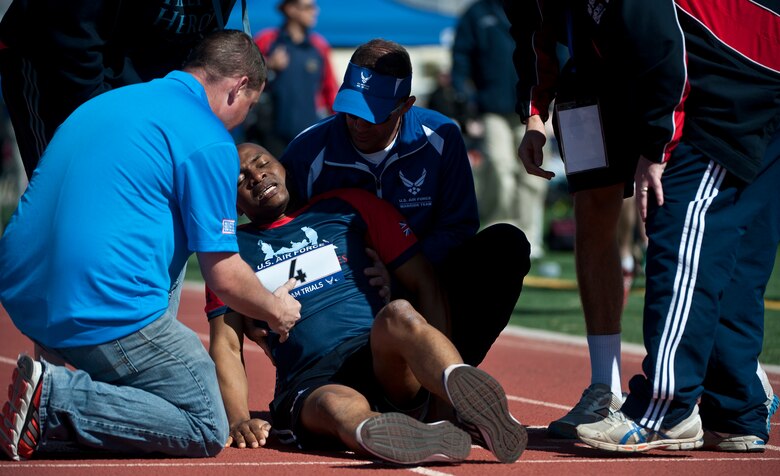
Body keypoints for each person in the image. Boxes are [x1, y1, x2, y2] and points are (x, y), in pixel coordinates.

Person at [0, 30, 301, 461]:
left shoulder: (105, 102)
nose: (242, 120)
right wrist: (276, 309)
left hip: (22, 288)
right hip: (95, 301)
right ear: (238, 87)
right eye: (249, 106)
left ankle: (59, 401)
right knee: (204, 423)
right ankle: (57, 398)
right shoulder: (209, 138)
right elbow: (224, 273)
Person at [206, 142, 527, 465]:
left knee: (399, 313)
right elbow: (226, 344)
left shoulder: (348, 206)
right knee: (335, 405)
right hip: (311, 377)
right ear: (232, 203)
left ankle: (454, 400)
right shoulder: (228, 253)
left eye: (262, 162)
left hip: (379, 354)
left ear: (284, 167)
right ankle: (391, 434)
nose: (257, 176)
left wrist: (441, 410)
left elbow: (424, 281)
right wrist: (238, 418)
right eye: (239, 180)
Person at [567, 1, 780, 453]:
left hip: (730, 92)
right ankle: (736, 409)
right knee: (733, 258)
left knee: (682, 241)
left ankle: (666, 410)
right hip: (761, 77)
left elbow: (666, 54)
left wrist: (655, 147)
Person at [281, 38, 530, 367]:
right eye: (351, 109)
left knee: (506, 244)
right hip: (345, 292)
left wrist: (402, 270)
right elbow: (284, 236)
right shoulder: (307, 150)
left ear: (405, 106)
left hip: (426, 277)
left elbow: (459, 224)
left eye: (373, 115)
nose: (357, 123)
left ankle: (453, 378)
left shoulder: (441, 136)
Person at [503, 0, 656, 438]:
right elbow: (531, 36)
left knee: (670, 220)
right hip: (588, 88)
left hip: (658, 80)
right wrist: (533, 115)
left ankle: (722, 382)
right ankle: (604, 386)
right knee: (592, 219)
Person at [0, 0, 243, 181]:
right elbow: (73, 42)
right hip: (56, 68)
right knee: (70, 195)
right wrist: (111, 131)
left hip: (141, 80)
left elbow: (197, 43)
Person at [451, 0, 548, 259]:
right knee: (498, 165)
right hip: (491, 110)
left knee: (533, 175)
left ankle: (529, 236)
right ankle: (498, 230)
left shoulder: (538, 6)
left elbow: (555, 50)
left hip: (535, 108)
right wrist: (466, 106)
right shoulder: (477, 13)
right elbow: (460, 60)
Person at [246, 0, 337, 157]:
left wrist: (340, 127)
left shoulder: (319, 45)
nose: (315, 11)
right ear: (291, 9)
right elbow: (245, 81)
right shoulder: (266, 40)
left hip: (307, 134)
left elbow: (330, 90)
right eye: (309, 7)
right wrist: (268, 65)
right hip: (269, 135)